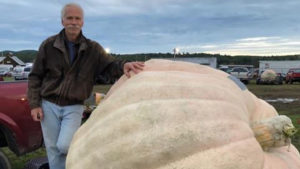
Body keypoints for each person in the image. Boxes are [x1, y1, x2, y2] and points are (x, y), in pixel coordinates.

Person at [27, 3, 144, 169]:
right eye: (69, 18)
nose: (73, 22)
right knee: (53, 149)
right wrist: (34, 105)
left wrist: (124, 65)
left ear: (82, 22)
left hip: (74, 106)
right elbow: (35, 76)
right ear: (62, 21)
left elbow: (110, 65)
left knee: (65, 146)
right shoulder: (48, 45)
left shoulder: (93, 49)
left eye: (77, 18)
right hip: (48, 104)